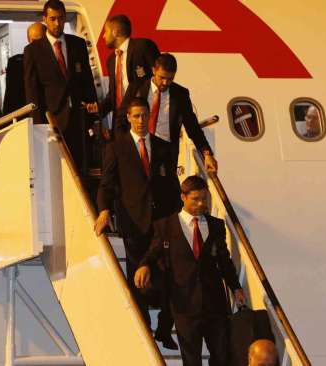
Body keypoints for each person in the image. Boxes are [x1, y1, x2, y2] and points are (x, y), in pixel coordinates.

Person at [135, 175, 246, 366]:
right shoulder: (165, 225)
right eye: (196, 199)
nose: (202, 203)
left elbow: (224, 260)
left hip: (215, 303)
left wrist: (236, 288)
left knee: (221, 357)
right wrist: (143, 265)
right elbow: (153, 252)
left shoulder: (216, 226)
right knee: (191, 360)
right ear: (183, 197)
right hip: (184, 306)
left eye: (205, 198)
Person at [94, 98, 180, 338]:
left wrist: (176, 215)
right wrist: (104, 210)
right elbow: (106, 185)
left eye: (145, 115)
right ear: (129, 118)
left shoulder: (163, 147)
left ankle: (164, 329)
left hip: (162, 221)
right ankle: (143, 331)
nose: (142, 121)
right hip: (133, 222)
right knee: (138, 279)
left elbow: (171, 184)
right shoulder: (116, 148)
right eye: (137, 116)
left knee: (169, 276)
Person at [23, 0, 98, 171]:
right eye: (53, 19)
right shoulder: (33, 51)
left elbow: (87, 81)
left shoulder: (78, 44)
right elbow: (32, 91)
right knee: (55, 170)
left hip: (78, 119)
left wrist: (93, 114)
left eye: (61, 18)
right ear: (45, 19)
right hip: (51, 121)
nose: (58, 23)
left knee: (80, 169)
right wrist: (38, 126)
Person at [117, 53, 218, 174]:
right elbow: (121, 117)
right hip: (137, 149)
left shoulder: (180, 94)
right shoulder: (137, 87)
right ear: (154, 70)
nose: (165, 83)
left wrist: (206, 153)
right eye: (162, 77)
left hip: (165, 155)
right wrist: (121, 147)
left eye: (170, 79)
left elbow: (193, 127)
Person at [99, 14, 160, 134]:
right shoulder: (111, 60)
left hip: (142, 120)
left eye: (106, 31)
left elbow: (157, 78)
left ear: (115, 32)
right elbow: (113, 94)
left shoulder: (143, 47)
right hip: (121, 122)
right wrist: (97, 111)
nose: (103, 36)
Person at [2, 22, 46, 116]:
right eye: (34, 40)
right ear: (29, 40)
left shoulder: (55, 60)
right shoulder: (16, 63)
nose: (37, 45)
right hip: (23, 116)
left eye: (41, 40)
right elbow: (10, 96)